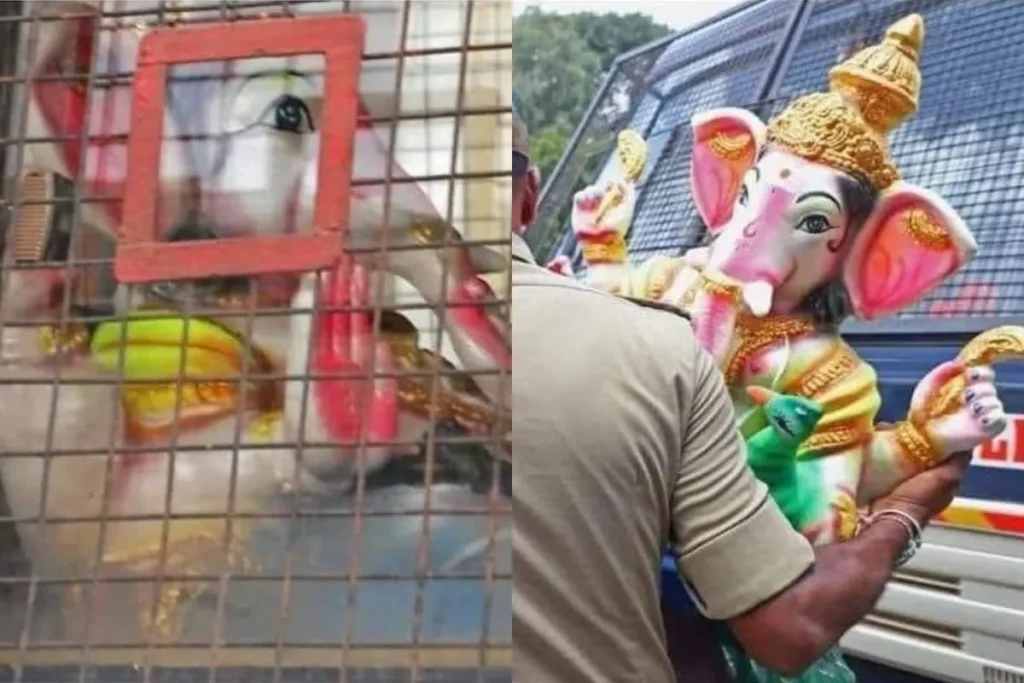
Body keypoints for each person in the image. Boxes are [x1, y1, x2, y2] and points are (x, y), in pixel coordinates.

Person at [510, 89, 981, 683]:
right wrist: (910, 508)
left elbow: (829, 497)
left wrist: (920, 442)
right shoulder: (665, 285)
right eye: (750, 193)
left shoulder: (833, 373)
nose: (745, 236)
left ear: (866, 252)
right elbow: (792, 627)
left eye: (812, 223)